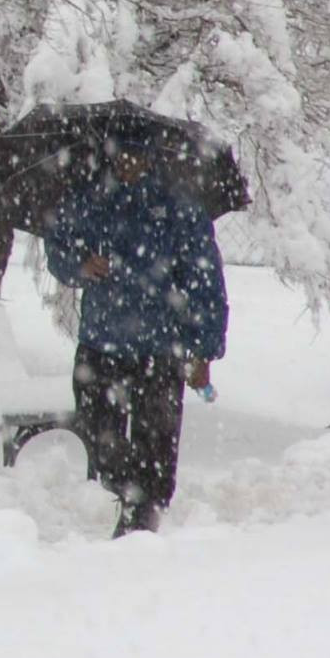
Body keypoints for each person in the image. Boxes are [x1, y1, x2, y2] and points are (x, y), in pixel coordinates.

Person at [43, 144, 228, 537]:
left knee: (156, 443)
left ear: (152, 157)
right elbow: (58, 245)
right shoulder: (90, 198)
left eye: (135, 155)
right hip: (100, 341)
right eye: (120, 156)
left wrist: (203, 349)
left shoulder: (178, 208)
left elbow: (205, 282)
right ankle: (135, 497)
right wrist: (80, 263)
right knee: (99, 431)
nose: (127, 164)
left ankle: (143, 517)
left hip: (160, 348)